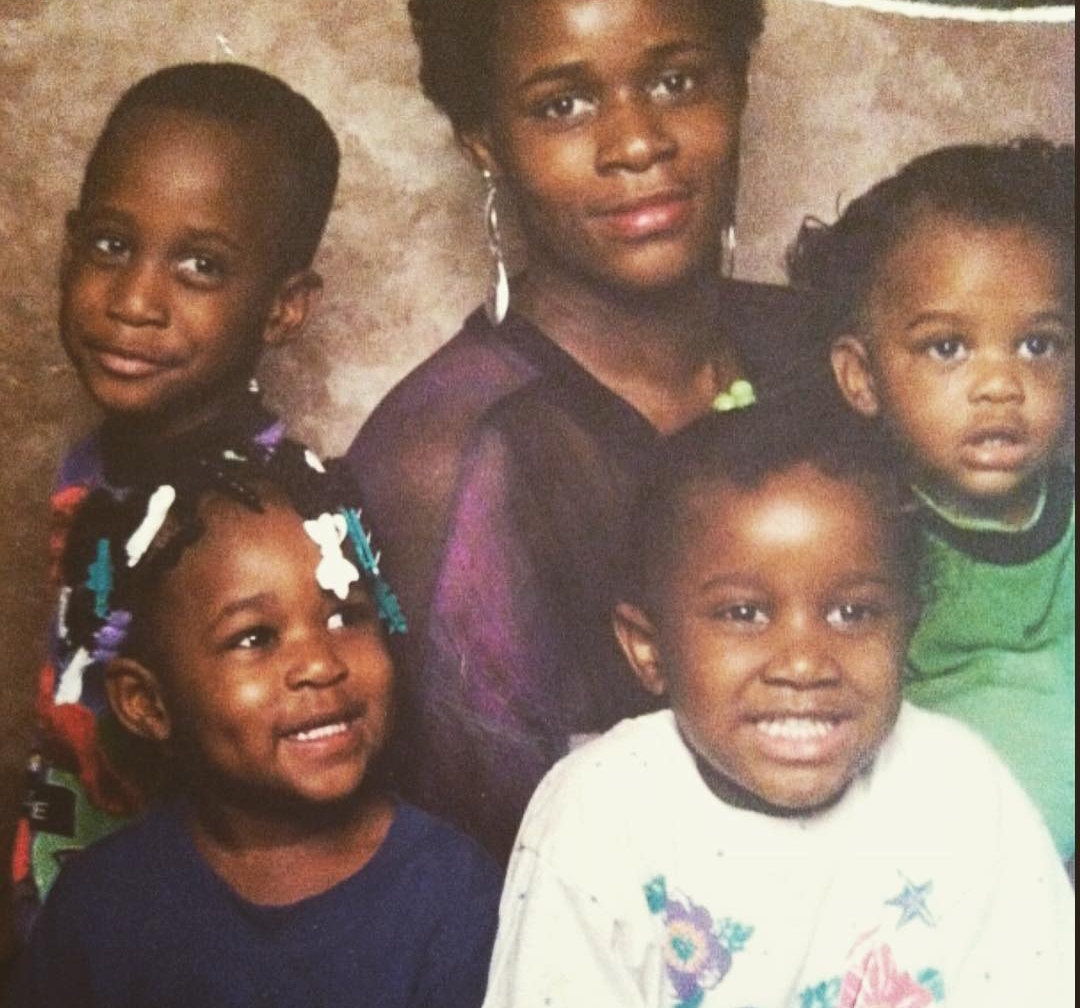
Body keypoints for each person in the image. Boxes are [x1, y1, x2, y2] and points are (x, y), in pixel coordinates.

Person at [347, 0, 834, 862]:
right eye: (563, 104)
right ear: (484, 141)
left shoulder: (831, 356)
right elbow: (497, 880)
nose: (638, 143)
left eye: (677, 80)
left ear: (741, 87)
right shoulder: (451, 459)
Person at [482, 404, 1074, 1007]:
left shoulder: (961, 788)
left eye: (853, 613)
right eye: (745, 614)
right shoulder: (598, 814)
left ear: (907, 631)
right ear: (649, 649)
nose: (803, 664)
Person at [11, 62, 341, 933]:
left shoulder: (263, 521)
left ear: (282, 310)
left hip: (180, 940)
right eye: (112, 245)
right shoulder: (98, 463)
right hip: (67, 907)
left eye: (200, 265)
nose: (133, 301)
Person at [14, 442, 500, 1007]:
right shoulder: (99, 906)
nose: (321, 663)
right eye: (255, 637)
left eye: (347, 616)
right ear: (147, 703)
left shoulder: (451, 893)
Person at [786, 139, 1075, 863]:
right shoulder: (870, 538)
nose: (1000, 385)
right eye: (948, 348)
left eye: (1038, 346)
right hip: (938, 883)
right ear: (863, 377)